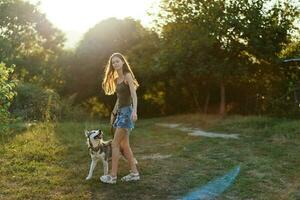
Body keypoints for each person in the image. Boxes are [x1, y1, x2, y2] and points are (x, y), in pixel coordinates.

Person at [100, 52, 140, 184]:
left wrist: (134, 111)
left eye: (117, 61)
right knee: (125, 145)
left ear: (123, 62)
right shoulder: (117, 79)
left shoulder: (128, 76)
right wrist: (113, 113)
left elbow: (134, 96)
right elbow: (119, 98)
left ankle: (112, 176)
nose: (115, 64)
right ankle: (134, 174)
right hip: (120, 113)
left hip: (128, 113)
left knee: (115, 143)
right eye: (113, 62)